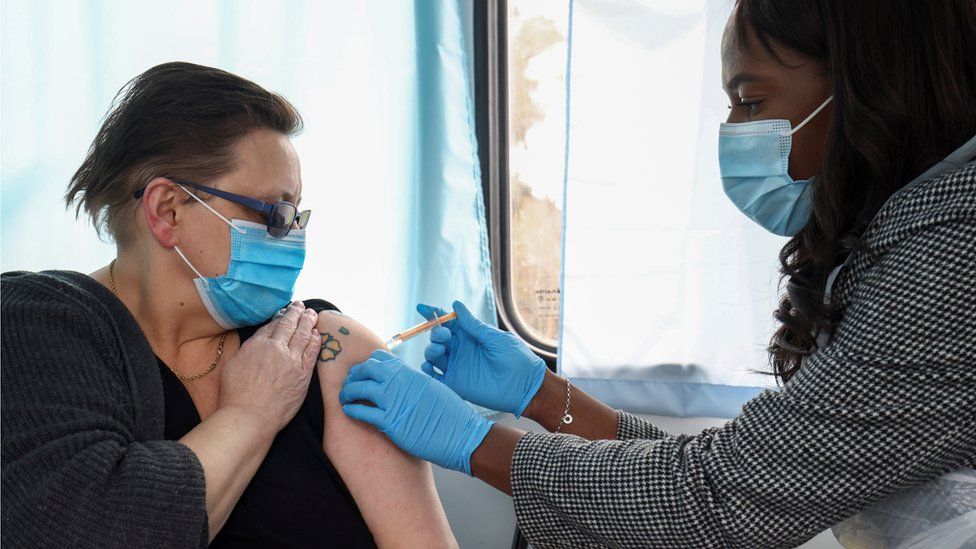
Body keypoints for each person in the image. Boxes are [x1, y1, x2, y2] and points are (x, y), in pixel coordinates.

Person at [337, 1, 976, 547]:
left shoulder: (952, 256)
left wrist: (476, 443)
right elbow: (761, 466)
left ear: (866, 82)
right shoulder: (905, 237)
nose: (733, 132)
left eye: (751, 102)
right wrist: (543, 396)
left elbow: (722, 494)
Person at [1, 62, 455, 548]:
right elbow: (91, 529)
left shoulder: (324, 343)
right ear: (167, 211)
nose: (294, 238)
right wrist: (251, 413)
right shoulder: (36, 326)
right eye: (275, 213)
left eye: (297, 215)